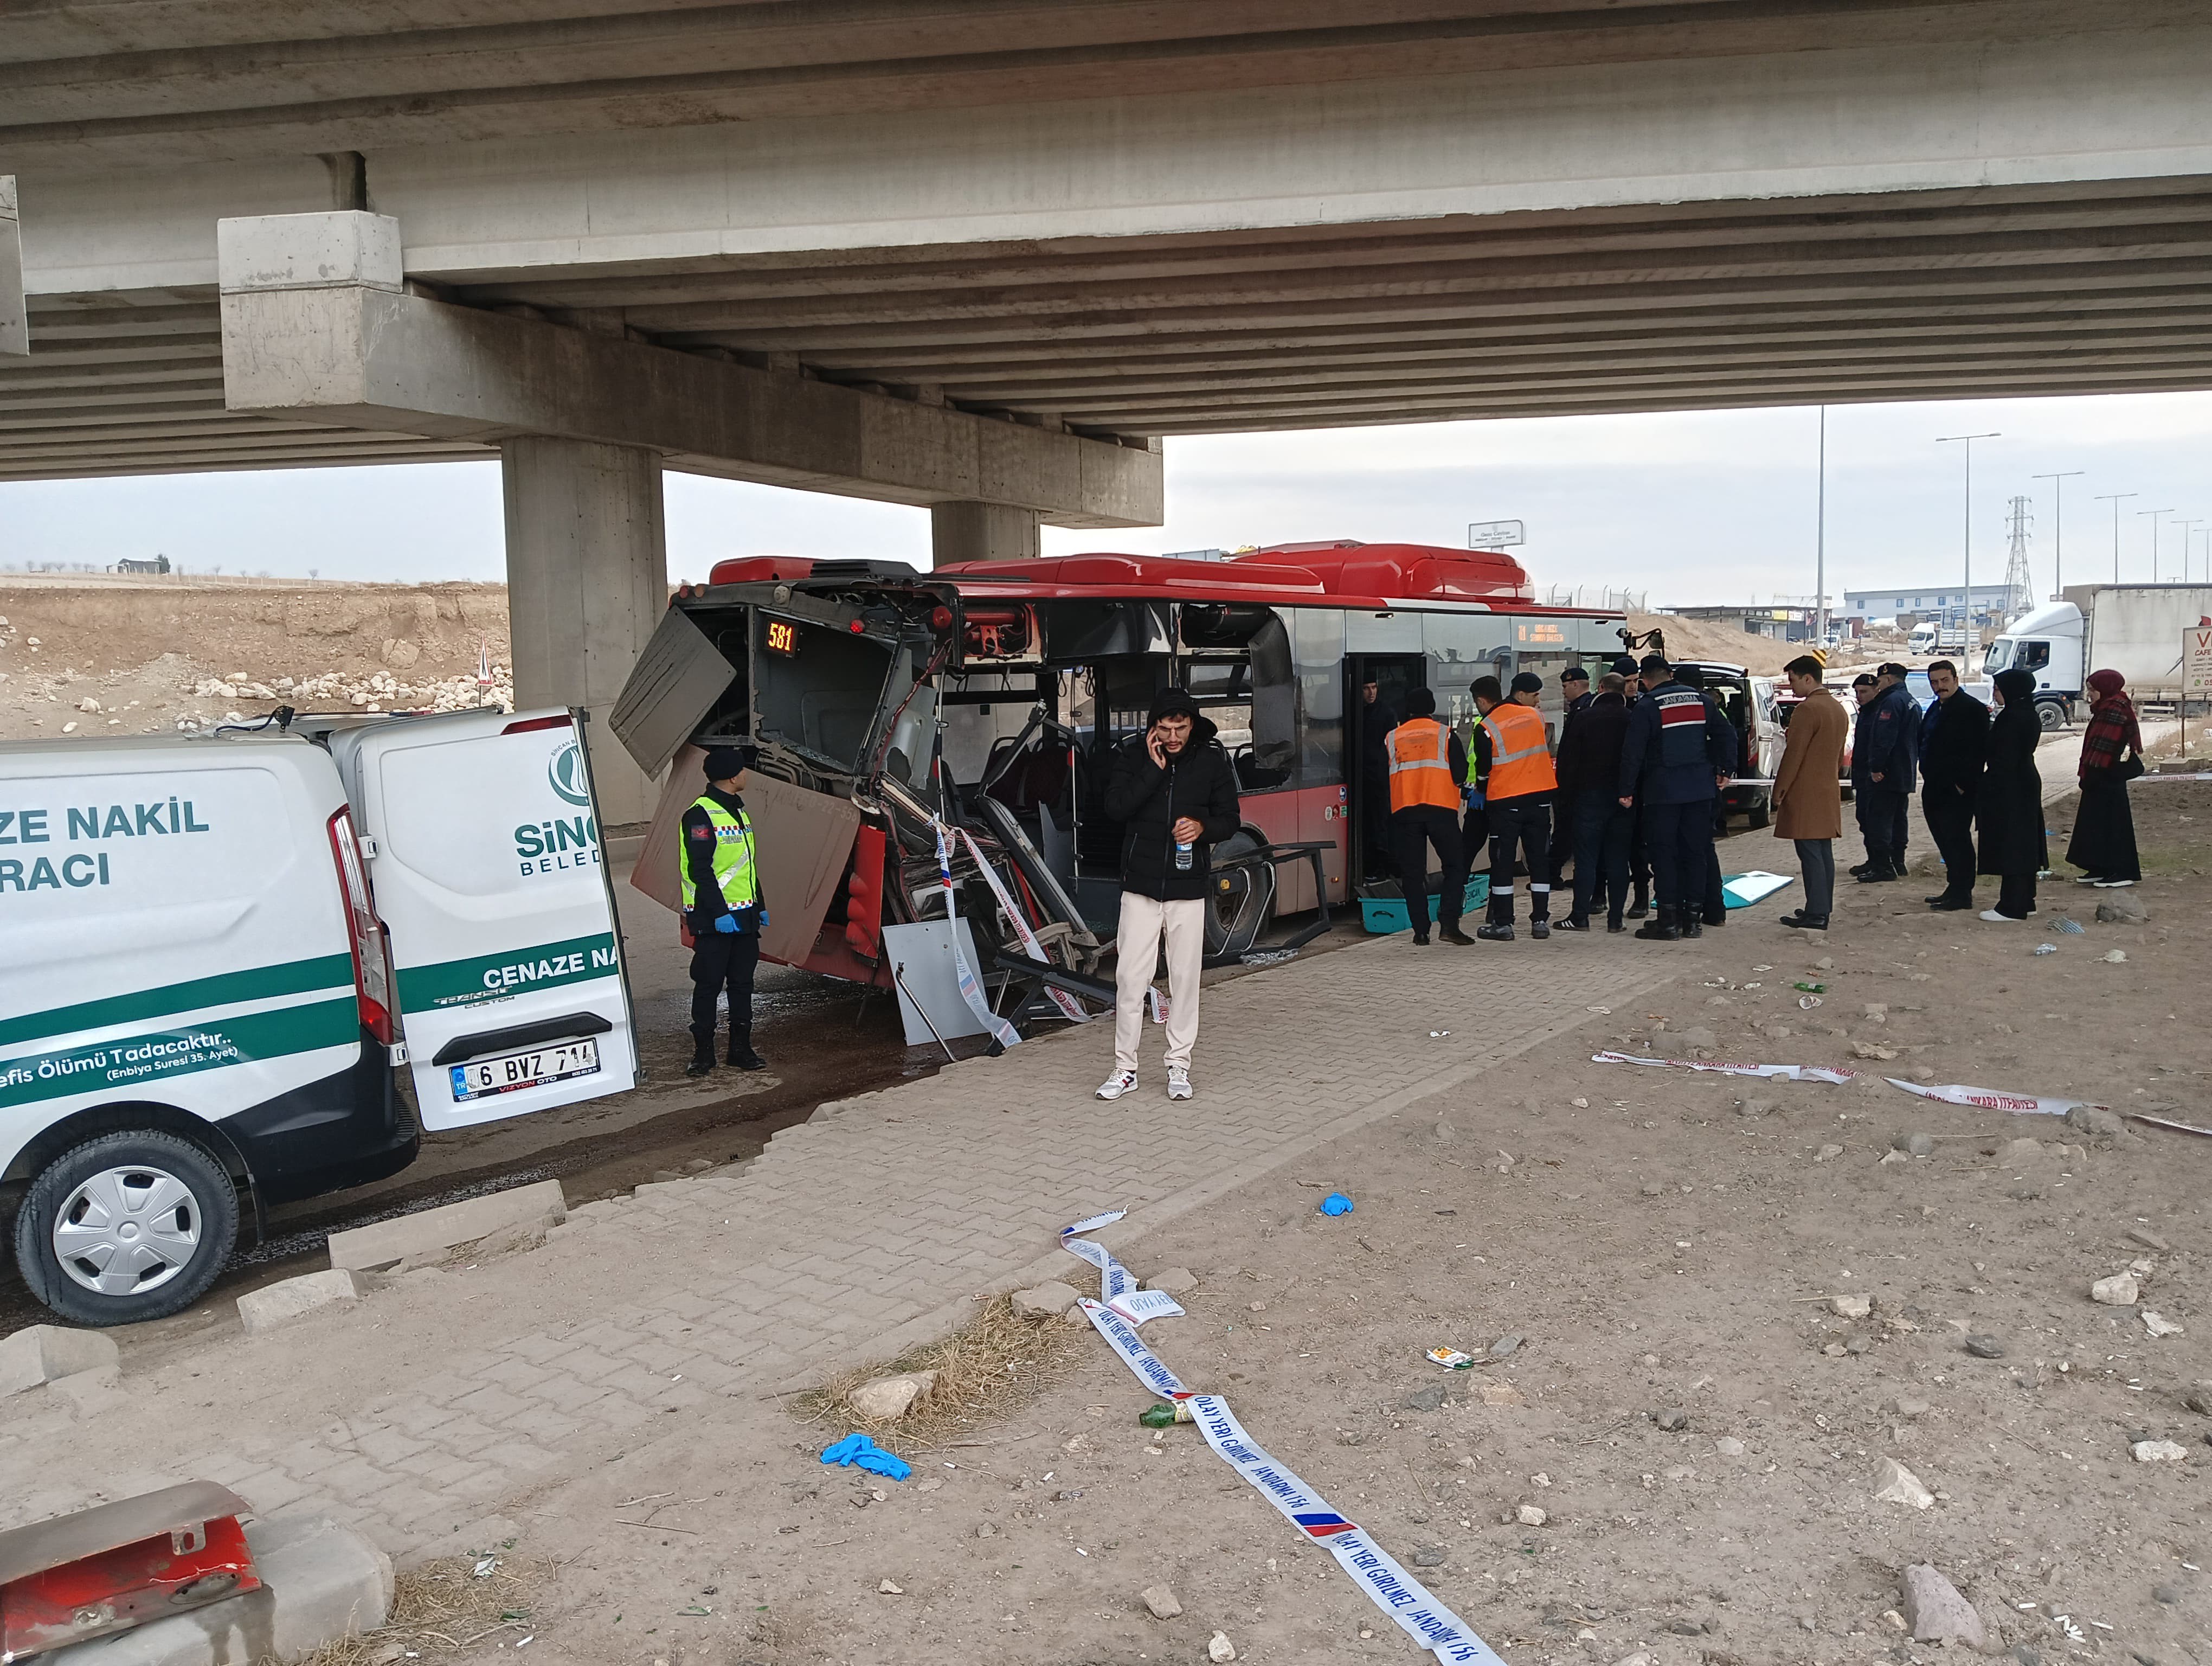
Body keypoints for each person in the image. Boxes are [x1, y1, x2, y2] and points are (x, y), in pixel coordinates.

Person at [1096, 688, 1242, 1102]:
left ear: (1192, 725)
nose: (1173, 736)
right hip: (1140, 887)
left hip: (1188, 888)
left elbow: (1230, 819)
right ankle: (1125, 1068)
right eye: (1165, 728)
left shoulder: (1213, 760)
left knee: (1184, 978)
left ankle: (1179, 1064)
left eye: (1180, 728)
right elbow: (1116, 809)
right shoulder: (1133, 756)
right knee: (1129, 978)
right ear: (1153, 727)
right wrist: (1154, 770)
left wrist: (1201, 829)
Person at [1617, 654, 1736, 941]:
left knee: (1664, 854)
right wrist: (1725, 769)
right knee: (1695, 854)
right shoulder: (1701, 700)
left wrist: (1626, 790)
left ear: (1645, 679)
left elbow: (1633, 752)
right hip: (1699, 791)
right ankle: (1692, 921)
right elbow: (1727, 735)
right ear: (1669, 674)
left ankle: (1668, 921)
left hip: (1663, 793)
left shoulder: (1648, 705)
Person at [680, 746, 768, 1075]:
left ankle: (740, 1050)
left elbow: (746, 865)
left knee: (743, 984)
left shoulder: (738, 811)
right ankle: (703, 1055)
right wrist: (718, 912)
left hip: (743, 917)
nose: (746, 775)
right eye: (743, 770)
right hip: (714, 920)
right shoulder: (700, 815)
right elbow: (699, 869)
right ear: (733, 777)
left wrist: (759, 905)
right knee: (708, 985)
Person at [1473, 671, 1560, 940]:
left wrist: (1480, 788)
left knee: (1502, 862)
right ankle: (1540, 922)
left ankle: (1503, 924)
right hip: (1539, 801)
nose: (1538, 701)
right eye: (1535, 696)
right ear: (1519, 694)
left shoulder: (1487, 726)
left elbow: (1484, 769)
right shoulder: (1537, 718)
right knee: (1538, 861)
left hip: (1506, 804)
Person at [1386, 686, 1472, 946]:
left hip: (1405, 811)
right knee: (1456, 866)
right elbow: (1460, 774)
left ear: (1408, 709)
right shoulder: (1445, 734)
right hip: (1441, 810)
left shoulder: (1393, 737)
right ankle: (1448, 924)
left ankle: (1420, 932)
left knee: (1412, 874)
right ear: (1432, 708)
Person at [1771, 657, 1846, 931]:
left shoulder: (1807, 710)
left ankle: (1816, 913)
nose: (1791, 686)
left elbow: (1794, 756)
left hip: (1805, 792)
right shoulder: (1837, 708)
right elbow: (1838, 757)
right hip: (1826, 788)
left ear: (1807, 679)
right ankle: (1821, 907)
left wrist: (1780, 790)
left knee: (1811, 853)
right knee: (1823, 852)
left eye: (1792, 680)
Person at [1554, 671, 1633, 931]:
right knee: (1618, 860)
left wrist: (1566, 798)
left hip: (1588, 799)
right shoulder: (1632, 718)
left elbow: (1567, 761)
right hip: (1624, 800)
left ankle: (1580, 916)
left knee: (1586, 860)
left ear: (1600, 688)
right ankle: (1616, 920)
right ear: (1623, 691)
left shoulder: (1584, 718)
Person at [1917, 658, 1989, 911]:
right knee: (1945, 840)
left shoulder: (1972, 709)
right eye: (1934, 682)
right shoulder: (1936, 708)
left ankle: (1962, 893)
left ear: (1956, 680)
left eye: (1945, 681)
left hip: (1957, 789)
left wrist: (1963, 784)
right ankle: (1953, 887)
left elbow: (1978, 750)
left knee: (1958, 840)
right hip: (1934, 785)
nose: (1939, 686)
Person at [1975, 668, 2047, 921]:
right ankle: (2025, 899)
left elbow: (2003, 755)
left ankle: (2012, 905)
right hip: (2023, 780)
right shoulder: (2028, 713)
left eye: (1998, 688)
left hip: (2010, 784)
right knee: (2024, 841)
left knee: (2013, 841)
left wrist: (1985, 782)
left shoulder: (2012, 717)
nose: (1995, 693)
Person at [2067, 668, 2144, 887]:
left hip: (2107, 777)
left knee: (2113, 826)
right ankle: (2100, 866)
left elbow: (2104, 747)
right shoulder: (2105, 708)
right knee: (2096, 824)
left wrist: (2092, 773)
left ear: (2105, 688)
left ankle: (2121, 870)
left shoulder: (2114, 710)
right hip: (2100, 777)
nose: (2089, 694)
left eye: (2093, 689)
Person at [1674, 664, 1735, 928]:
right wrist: (1726, 769)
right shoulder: (1710, 707)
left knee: (1693, 851)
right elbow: (1728, 737)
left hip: (1697, 788)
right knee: (1705, 849)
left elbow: (1725, 737)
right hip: (1708, 786)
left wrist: (1723, 768)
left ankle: (1697, 909)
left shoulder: (1697, 707)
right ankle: (1714, 910)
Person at [1850, 662, 1918, 882]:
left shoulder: (1890, 702)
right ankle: (1895, 862)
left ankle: (1883, 867)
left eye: (1879, 682)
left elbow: (1884, 739)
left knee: (1878, 821)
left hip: (1885, 775)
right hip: (1902, 772)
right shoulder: (1910, 701)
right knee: (1897, 819)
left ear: (1888, 679)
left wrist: (1877, 768)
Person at [1613, 655, 1653, 919]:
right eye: (1628, 682)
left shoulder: (1645, 707)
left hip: (1640, 789)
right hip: (1615, 788)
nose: (1633, 686)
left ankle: (1642, 898)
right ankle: (1600, 898)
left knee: (1640, 848)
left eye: (1636, 681)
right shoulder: (1607, 707)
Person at [1545, 666, 1592, 888]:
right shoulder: (1580, 707)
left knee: (1566, 831)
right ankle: (1556, 874)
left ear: (1576, 684)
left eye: (1565, 686)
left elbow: (1574, 752)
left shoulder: (1584, 709)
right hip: (1574, 783)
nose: (1563, 691)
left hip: (1573, 785)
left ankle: (1552, 874)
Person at [1357, 672, 1400, 881]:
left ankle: (1380, 870)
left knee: (1379, 826)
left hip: (1380, 780)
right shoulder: (1356, 712)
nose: (1371, 693)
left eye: (1374, 687)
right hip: (1361, 779)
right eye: (1366, 688)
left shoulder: (1386, 714)